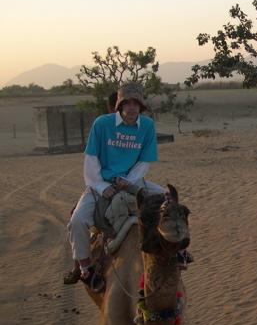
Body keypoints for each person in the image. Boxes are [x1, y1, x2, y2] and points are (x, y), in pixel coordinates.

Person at [63, 82, 190, 291]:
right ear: (119, 105)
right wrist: (101, 186)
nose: (131, 108)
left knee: (170, 200)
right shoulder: (102, 124)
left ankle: (179, 249)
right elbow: (91, 159)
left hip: (133, 180)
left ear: (141, 106)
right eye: (127, 103)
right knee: (77, 221)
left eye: (136, 103)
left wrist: (130, 179)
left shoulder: (147, 125)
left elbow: (144, 161)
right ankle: (85, 268)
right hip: (101, 182)